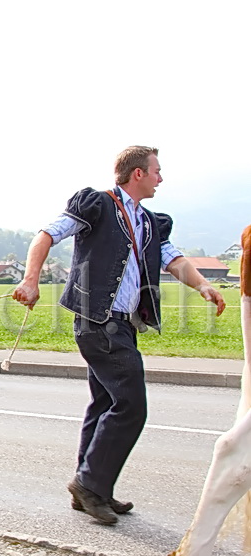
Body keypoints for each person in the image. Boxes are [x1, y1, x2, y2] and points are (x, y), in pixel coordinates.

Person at [13, 146, 225, 525]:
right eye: (157, 170)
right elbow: (46, 234)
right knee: (130, 406)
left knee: (105, 403)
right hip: (97, 321)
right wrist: (30, 280)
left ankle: (91, 487)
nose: (162, 177)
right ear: (138, 174)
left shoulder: (150, 222)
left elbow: (173, 259)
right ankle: (90, 485)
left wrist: (204, 286)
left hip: (124, 324)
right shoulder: (96, 204)